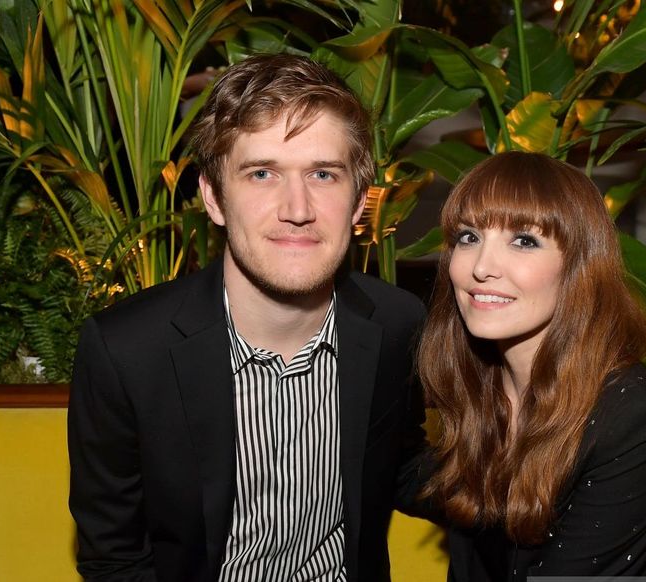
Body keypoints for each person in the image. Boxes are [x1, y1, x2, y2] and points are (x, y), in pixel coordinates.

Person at [67, 54, 428, 582]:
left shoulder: (397, 323)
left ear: (357, 202)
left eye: (323, 174)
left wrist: (535, 466)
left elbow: (401, 464)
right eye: (262, 174)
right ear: (213, 197)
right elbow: (113, 558)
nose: (297, 207)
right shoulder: (127, 351)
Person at [418, 151, 646, 581]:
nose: (482, 268)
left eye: (524, 240)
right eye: (468, 237)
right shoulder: (477, 387)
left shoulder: (630, 419)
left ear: (579, 268)